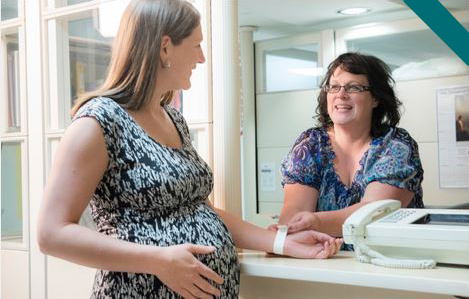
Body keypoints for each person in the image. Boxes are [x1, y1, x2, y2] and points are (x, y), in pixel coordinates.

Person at [37, 1, 342, 298]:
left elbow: (200, 211)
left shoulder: (172, 117)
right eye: (196, 45)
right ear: (165, 47)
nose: (202, 58)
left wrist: (281, 241)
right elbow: (52, 233)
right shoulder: (99, 121)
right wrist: (158, 260)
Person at [271, 53, 424, 249]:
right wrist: (291, 229)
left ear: (376, 98)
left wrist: (316, 222)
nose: (341, 94)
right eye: (334, 87)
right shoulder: (310, 145)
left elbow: (376, 212)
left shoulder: (396, 145)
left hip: (393, 263)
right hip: (327, 263)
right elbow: (294, 217)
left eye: (353, 87)